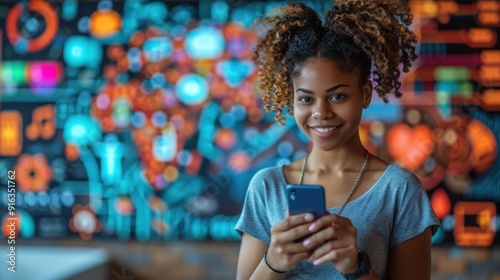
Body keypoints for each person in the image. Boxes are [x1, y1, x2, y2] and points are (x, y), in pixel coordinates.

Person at [235, 0, 441, 279]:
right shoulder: (267, 187)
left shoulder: (400, 191)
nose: (321, 113)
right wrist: (272, 262)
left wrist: (355, 266)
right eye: (306, 99)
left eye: (337, 96)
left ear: (366, 94)